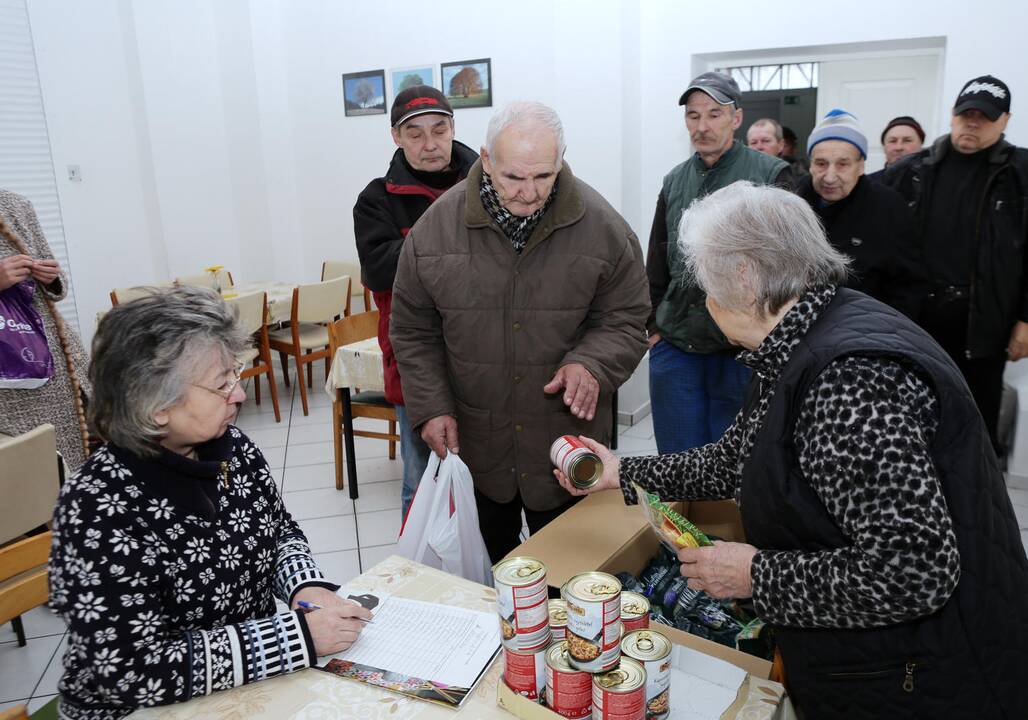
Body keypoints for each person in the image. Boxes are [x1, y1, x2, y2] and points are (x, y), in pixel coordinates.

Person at [555, 182, 1028, 719]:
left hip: (938, 680)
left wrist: (755, 575)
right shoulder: (803, 332)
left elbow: (914, 571)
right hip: (899, 664)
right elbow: (737, 459)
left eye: (706, 290)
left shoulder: (846, 380)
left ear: (743, 279)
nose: (706, 306)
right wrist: (623, 470)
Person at [48, 286, 371, 719]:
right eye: (222, 384)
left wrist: (304, 586)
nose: (238, 394)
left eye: (235, 375)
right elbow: (132, 669)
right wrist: (296, 639)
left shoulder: (231, 447)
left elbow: (278, 532)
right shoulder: (96, 507)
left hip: (243, 686)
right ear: (155, 406)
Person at [391, 101, 649, 563]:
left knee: (574, 578)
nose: (529, 194)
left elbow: (626, 318)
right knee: (494, 579)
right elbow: (413, 330)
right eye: (513, 177)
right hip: (478, 443)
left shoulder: (603, 227)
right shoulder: (435, 232)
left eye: (543, 177)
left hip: (568, 445)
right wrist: (430, 407)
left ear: (561, 159)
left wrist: (591, 363)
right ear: (486, 159)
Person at [883, 75, 1028, 450]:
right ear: (952, 116)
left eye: (984, 117)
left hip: (983, 325)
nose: (972, 122)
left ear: (1004, 121)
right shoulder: (912, 170)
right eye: (965, 113)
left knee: (974, 427)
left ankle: (975, 502)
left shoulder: (1026, 172)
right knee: (911, 420)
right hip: (917, 321)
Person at [647, 72, 792, 455]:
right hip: (678, 344)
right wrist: (652, 325)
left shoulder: (771, 176)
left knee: (737, 465)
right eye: (693, 116)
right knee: (677, 462)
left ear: (736, 118)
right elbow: (657, 261)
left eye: (713, 114)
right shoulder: (674, 181)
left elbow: (790, 268)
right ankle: (680, 521)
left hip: (742, 349)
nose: (702, 126)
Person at [354, 85, 479, 519]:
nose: (430, 145)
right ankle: (418, 578)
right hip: (414, 367)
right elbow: (380, 271)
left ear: (453, 128)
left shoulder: (490, 183)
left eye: (439, 130)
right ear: (396, 137)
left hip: (484, 359)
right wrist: (453, 241)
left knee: (486, 481)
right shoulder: (377, 200)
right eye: (415, 134)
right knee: (422, 480)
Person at [0, 189, 90, 471]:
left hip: (55, 361)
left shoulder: (15, 205)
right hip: (10, 383)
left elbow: (56, 282)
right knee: (26, 477)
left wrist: (49, 277)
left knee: (72, 462)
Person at [797, 109, 920, 314]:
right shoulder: (793, 202)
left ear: (861, 166)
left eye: (843, 164)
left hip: (868, 327)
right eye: (821, 164)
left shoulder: (888, 207)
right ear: (810, 165)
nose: (829, 176)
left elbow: (909, 284)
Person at [867, 115, 925, 181]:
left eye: (907, 140)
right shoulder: (868, 184)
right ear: (884, 146)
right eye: (893, 141)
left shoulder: (933, 183)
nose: (899, 147)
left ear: (921, 145)